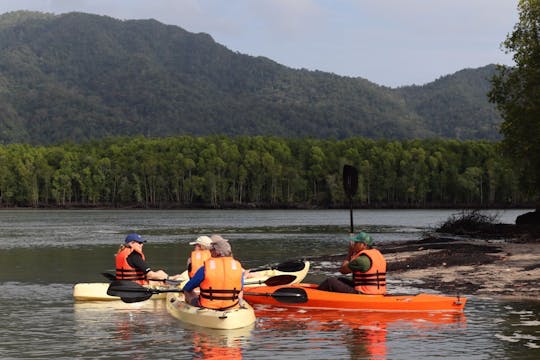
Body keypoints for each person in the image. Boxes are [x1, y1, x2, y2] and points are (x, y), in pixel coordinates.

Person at [183, 235, 245, 310]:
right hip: (231, 306)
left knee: (187, 291)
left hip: (208, 306)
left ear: (217, 253)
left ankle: (191, 310)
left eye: (212, 250)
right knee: (240, 291)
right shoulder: (238, 267)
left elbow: (188, 287)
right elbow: (241, 287)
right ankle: (239, 305)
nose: (210, 252)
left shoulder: (205, 268)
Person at [317, 232, 387, 294]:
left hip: (364, 293)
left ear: (364, 245)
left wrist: (350, 253)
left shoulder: (361, 260)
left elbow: (343, 270)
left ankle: (316, 296)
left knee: (330, 282)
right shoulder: (378, 256)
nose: (354, 245)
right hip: (378, 291)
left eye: (356, 243)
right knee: (340, 280)